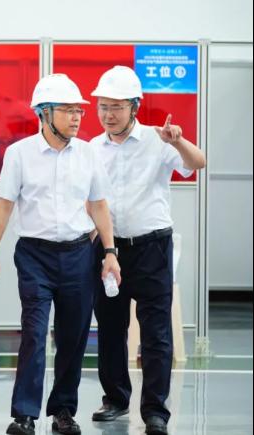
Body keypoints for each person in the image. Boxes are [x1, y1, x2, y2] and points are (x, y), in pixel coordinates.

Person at [0, 74, 120, 435]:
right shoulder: (20, 154)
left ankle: (63, 411)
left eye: (79, 111)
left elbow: (99, 205)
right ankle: (24, 414)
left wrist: (109, 251)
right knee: (34, 331)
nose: (77, 117)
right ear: (44, 113)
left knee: (74, 336)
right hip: (34, 256)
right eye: (67, 110)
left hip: (79, 255)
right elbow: (4, 207)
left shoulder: (88, 154)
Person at [89, 66, 206, 435]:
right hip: (108, 249)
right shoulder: (91, 149)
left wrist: (178, 142)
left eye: (116, 107)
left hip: (152, 247)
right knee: (110, 327)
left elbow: (197, 163)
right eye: (103, 106)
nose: (108, 114)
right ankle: (115, 399)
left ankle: (155, 410)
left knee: (156, 332)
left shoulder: (159, 140)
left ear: (134, 107)